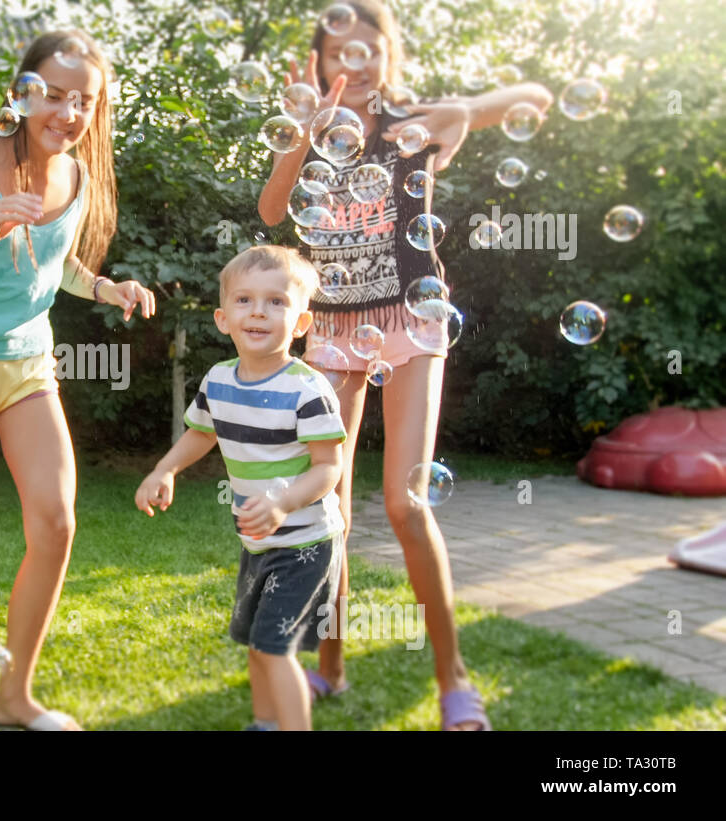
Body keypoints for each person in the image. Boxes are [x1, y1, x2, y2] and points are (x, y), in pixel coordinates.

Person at [257, 0, 554, 730]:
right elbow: (271, 211)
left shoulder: (418, 125)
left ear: (389, 57)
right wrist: (298, 134)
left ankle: (454, 680)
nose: (351, 66)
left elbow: (531, 100)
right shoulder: (311, 141)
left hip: (411, 321)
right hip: (332, 327)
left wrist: (459, 104)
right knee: (326, 511)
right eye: (337, 56)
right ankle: (330, 665)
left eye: (367, 52)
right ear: (319, 67)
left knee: (404, 501)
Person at [0, 29, 155, 731]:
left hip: (26, 367)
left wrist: (104, 286)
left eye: (85, 101)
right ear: (22, 93)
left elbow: (55, 264)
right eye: (53, 94)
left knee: (55, 520)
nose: (68, 112)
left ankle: (12, 699)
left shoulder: (75, 178)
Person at [134, 245, 346, 731]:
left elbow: (328, 468)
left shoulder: (308, 389)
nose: (258, 311)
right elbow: (201, 433)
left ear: (300, 323)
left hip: (305, 544)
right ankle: (266, 723)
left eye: (276, 302)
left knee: (274, 648)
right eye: (245, 300)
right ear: (223, 318)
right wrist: (164, 469)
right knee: (257, 642)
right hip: (258, 540)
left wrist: (282, 501)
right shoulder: (218, 380)